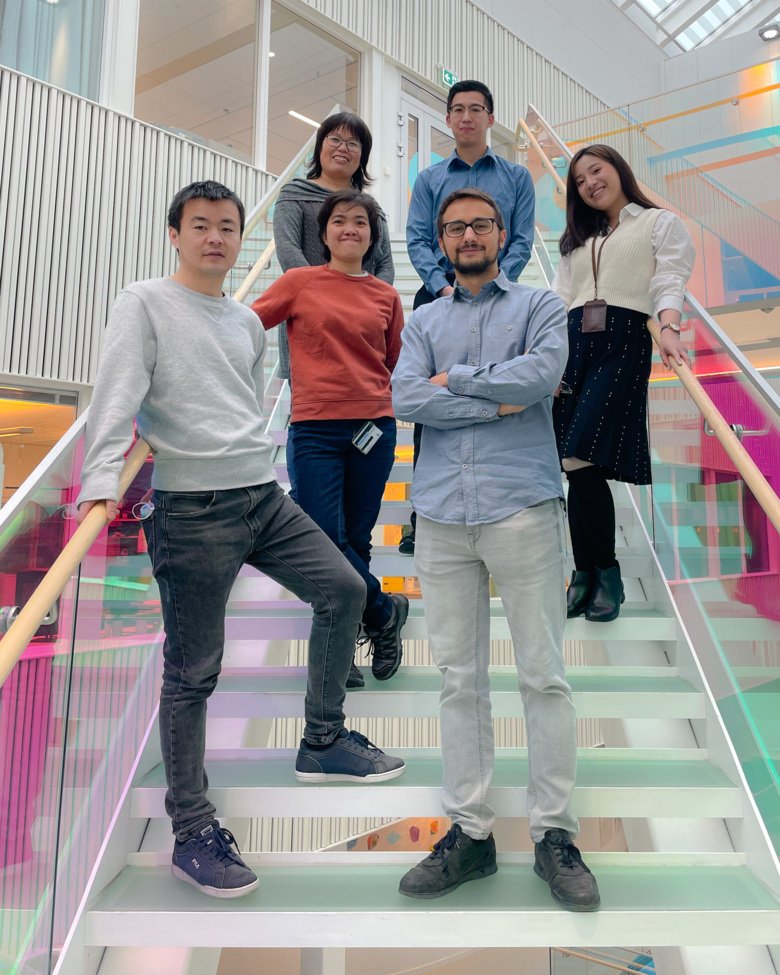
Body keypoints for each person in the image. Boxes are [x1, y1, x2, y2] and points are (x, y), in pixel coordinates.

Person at [77, 180, 405, 900]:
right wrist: (102, 477)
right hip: (193, 509)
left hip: (262, 493)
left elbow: (244, 396)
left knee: (345, 586)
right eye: (202, 226)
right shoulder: (144, 302)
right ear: (176, 234)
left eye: (228, 227)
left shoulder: (241, 320)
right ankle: (192, 829)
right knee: (194, 671)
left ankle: (321, 739)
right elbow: (118, 389)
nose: (217, 238)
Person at [392, 188, 600, 912]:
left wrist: (464, 382)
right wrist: (497, 397)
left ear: (502, 234)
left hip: (523, 507)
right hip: (443, 514)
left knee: (543, 674)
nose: (468, 235)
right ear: (442, 242)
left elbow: (542, 376)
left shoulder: (540, 306)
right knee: (459, 679)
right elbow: (407, 398)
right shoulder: (422, 320)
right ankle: (472, 834)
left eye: (480, 223)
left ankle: (554, 834)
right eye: (455, 227)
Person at [253, 189, 407, 686]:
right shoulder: (298, 283)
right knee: (325, 540)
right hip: (314, 428)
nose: (350, 229)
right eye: (339, 221)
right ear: (324, 234)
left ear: (372, 234)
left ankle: (345, 650)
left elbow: (391, 359)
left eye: (360, 222)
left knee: (356, 540)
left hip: (373, 429)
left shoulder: (386, 295)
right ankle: (383, 612)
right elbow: (246, 327)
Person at [553, 144, 694, 623]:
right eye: (580, 180)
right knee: (575, 464)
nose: (591, 182)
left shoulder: (658, 224)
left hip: (623, 341)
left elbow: (669, 280)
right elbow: (559, 300)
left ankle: (604, 572)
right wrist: (547, 360)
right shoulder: (576, 240)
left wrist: (670, 328)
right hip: (572, 345)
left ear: (618, 170)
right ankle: (588, 574)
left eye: (597, 170)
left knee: (580, 455)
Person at [400, 79, 535, 554]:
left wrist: (494, 281)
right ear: (449, 119)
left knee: (498, 382)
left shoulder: (517, 177)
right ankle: (423, 511)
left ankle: (499, 500)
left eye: (476, 109)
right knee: (430, 405)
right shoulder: (431, 179)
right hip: (440, 298)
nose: (466, 117)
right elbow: (418, 238)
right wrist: (446, 287)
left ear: (490, 119)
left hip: (502, 297)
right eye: (457, 110)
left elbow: (520, 239)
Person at [273, 111, 394, 383]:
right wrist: (331, 299)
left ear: (362, 155)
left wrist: (368, 302)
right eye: (335, 139)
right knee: (312, 409)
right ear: (320, 147)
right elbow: (289, 253)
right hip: (311, 319)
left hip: (362, 323)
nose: (343, 148)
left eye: (353, 143)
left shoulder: (371, 208)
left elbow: (385, 265)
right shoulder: (294, 195)